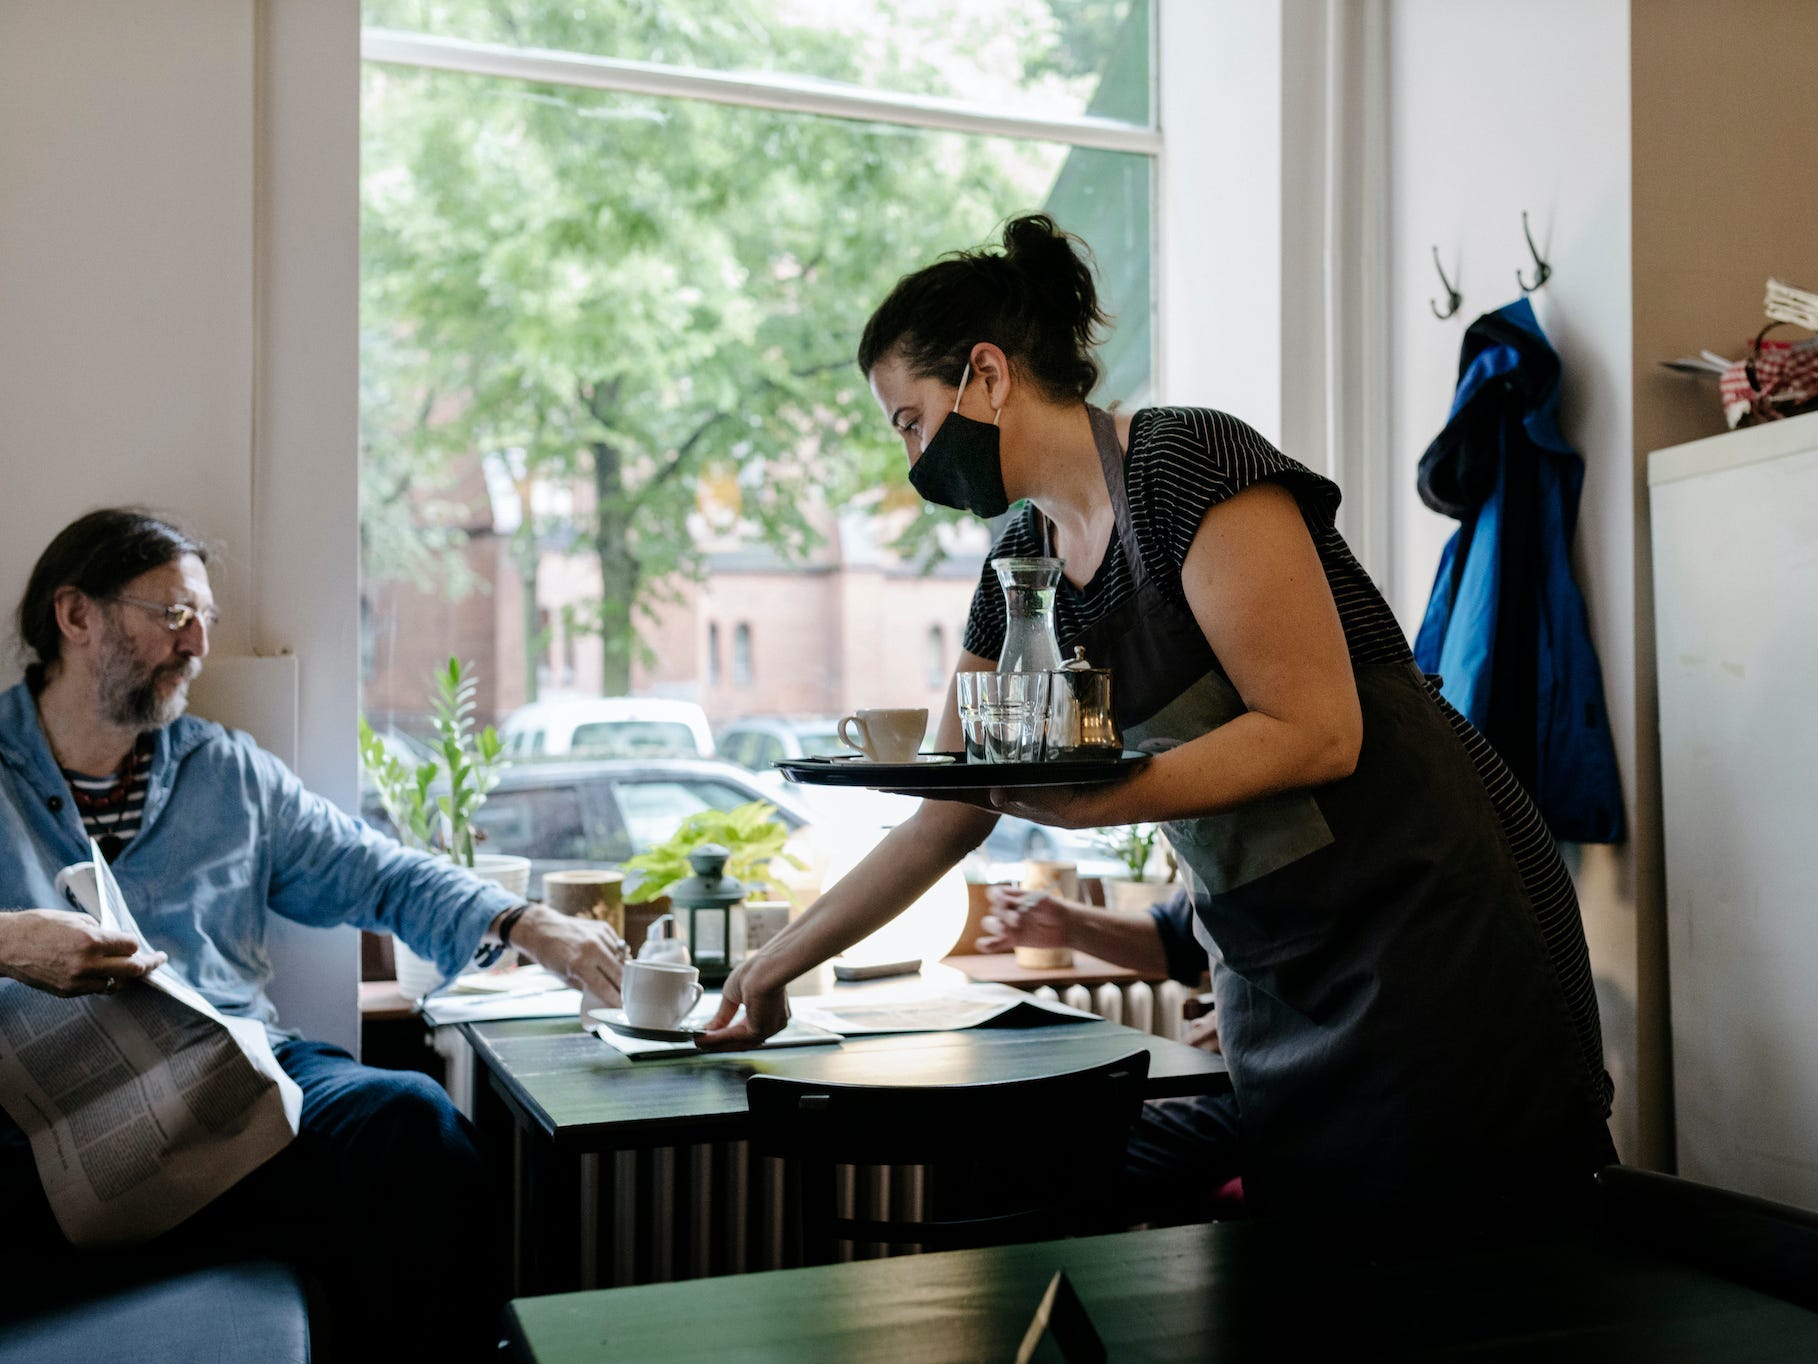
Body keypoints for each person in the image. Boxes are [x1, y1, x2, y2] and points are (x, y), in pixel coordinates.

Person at [706, 213, 1617, 1229]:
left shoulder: (1187, 462)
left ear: (989, 376)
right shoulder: (1024, 562)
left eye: (910, 419)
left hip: (1437, 911)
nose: (915, 456)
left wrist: (1103, 802)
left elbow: (1319, 730)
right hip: (1280, 955)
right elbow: (947, 807)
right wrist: (774, 963)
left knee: (1481, 1262)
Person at [0, 509, 628, 1358]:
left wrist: (523, 920)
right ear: (76, 617)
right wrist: (10, 943)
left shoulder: (229, 773)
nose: (197, 647)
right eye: (175, 616)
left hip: (233, 1086)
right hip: (43, 1124)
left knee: (409, 1121)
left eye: (205, 622)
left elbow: (376, 870)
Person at [979, 882, 1236, 1222]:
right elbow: (1179, 935)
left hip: (1294, 1103)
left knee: (1042, 1161)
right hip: (1236, 1088)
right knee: (1009, 1141)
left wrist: (1255, 1023)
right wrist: (1067, 924)